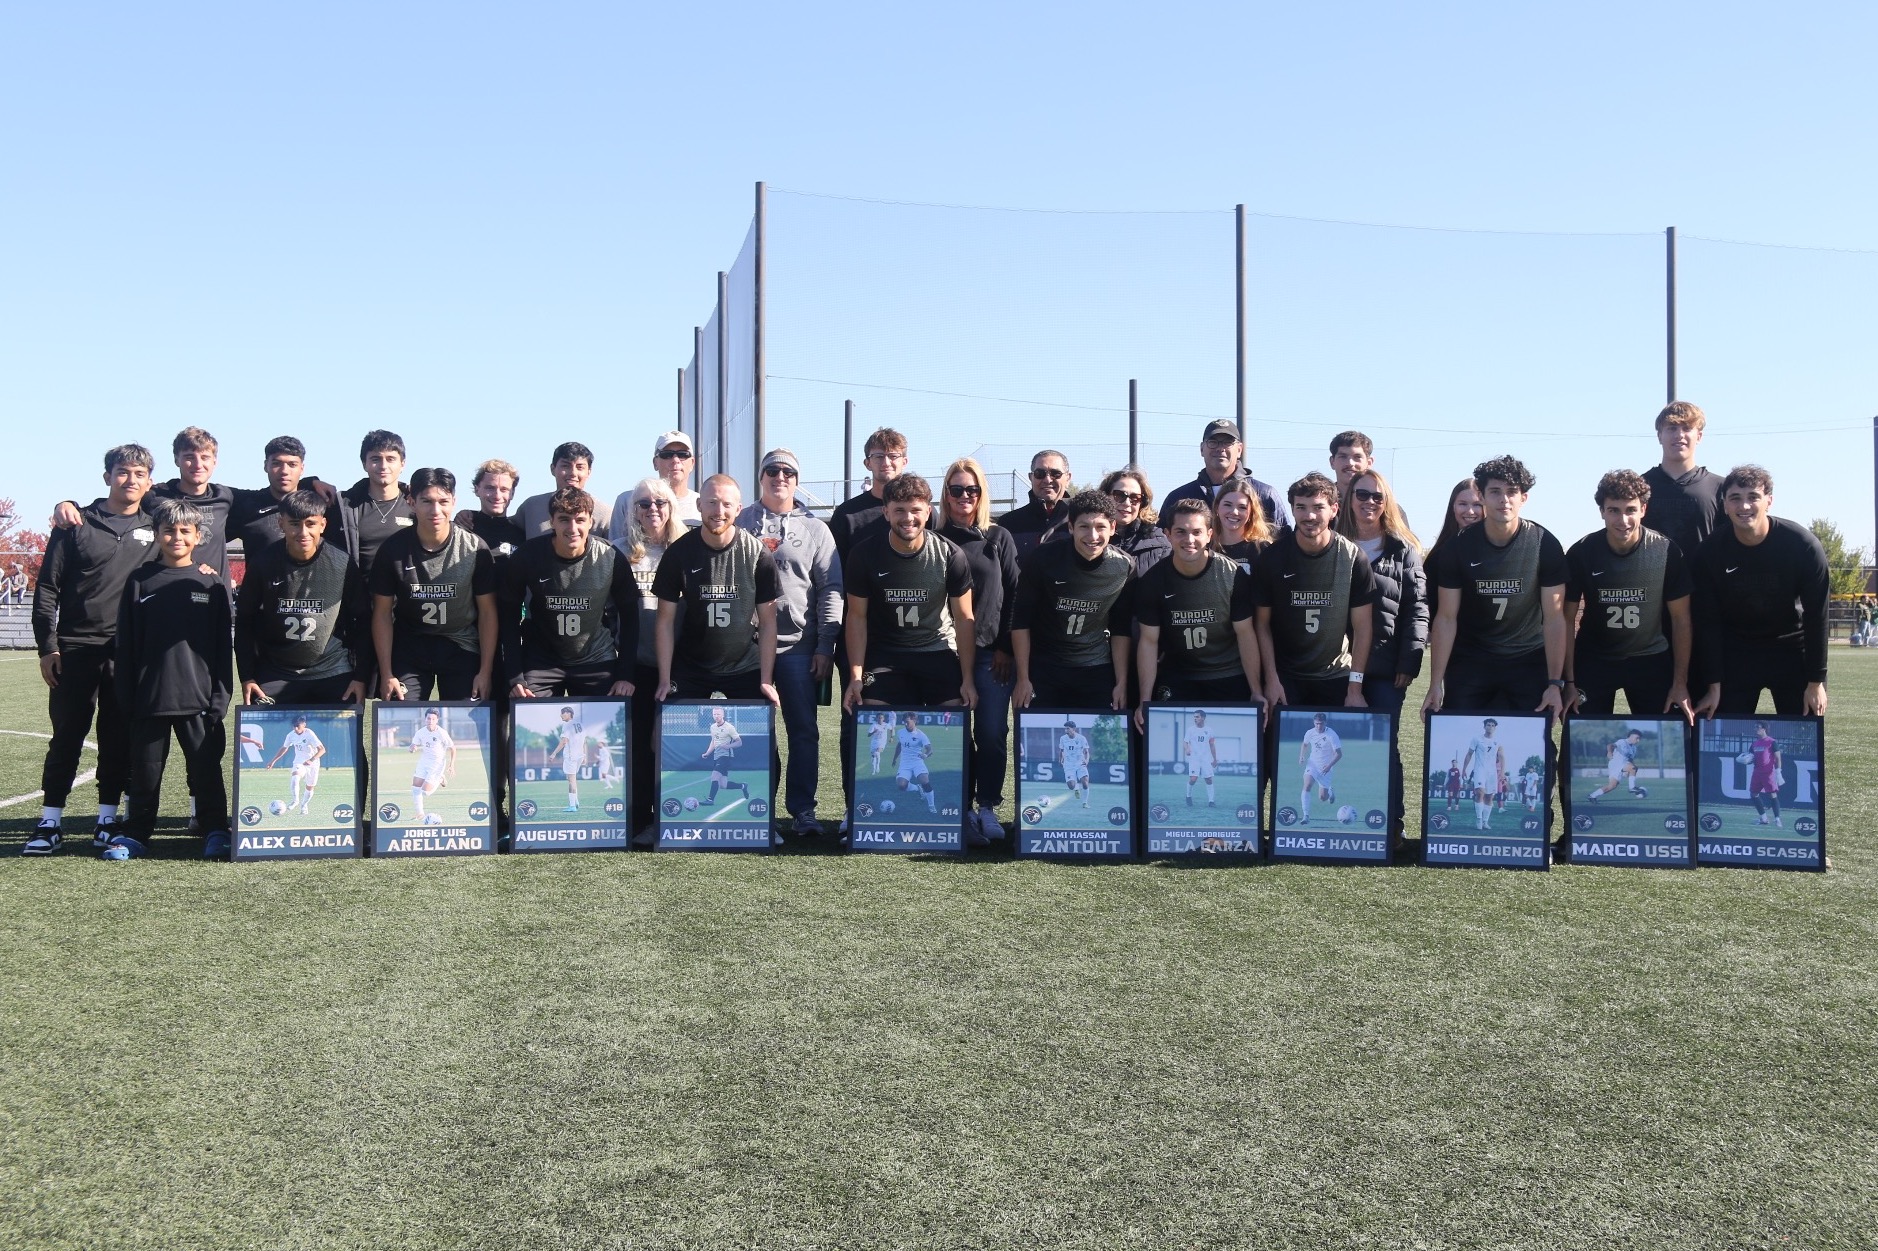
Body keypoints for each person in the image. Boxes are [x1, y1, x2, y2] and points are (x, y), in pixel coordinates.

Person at [1422, 455, 1568, 841]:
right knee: (1461, 737)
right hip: (1474, 659)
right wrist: (1436, 682)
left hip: (1527, 658)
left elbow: (1555, 618)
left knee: (1537, 744)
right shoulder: (1459, 548)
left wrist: (1555, 681)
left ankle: (1536, 833)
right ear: (1483, 497)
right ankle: (1456, 833)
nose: (1504, 500)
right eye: (1495, 492)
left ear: (1525, 498)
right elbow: (1446, 618)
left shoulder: (1544, 544)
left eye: (1512, 493)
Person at [25, 444, 157, 856]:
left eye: (138, 473)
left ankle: (105, 819)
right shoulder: (76, 523)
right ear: (107, 477)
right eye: (122, 472)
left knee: (117, 738)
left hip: (126, 652)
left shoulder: (157, 527)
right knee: (67, 736)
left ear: (150, 481)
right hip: (76, 649)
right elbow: (47, 588)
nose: (130, 480)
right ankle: (50, 821)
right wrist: (48, 646)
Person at [108, 499, 233, 860]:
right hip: (150, 699)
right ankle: (135, 835)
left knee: (206, 772)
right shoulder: (139, 580)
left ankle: (214, 831)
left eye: (184, 531)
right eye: (169, 530)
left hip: (198, 698)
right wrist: (127, 696)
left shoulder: (210, 584)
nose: (176, 537)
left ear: (197, 536)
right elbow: (126, 644)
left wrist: (220, 696)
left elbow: (222, 647)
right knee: (144, 776)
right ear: (158, 534)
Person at [736, 448, 841, 837]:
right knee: (754, 731)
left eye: (788, 472)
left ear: (797, 480)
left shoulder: (816, 528)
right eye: (772, 470)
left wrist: (826, 643)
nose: (780, 477)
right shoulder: (741, 520)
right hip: (747, 645)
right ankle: (758, 807)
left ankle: (803, 810)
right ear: (761, 476)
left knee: (803, 730)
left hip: (799, 644)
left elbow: (831, 588)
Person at [1690, 465, 1829, 716]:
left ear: (1769, 501)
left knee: (1802, 741)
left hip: (1791, 650)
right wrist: (1713, 685)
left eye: (1753, 497)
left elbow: (1817, 616)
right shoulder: (1709, 552)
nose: (1744, 506)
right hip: (1737, 653)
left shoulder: (1802, 546)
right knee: (1724, 736)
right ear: (1724, 505)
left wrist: (1815, 682)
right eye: (1735, 498)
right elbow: (1708, 623)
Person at [828, 427, 913, 829]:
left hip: (912, 637)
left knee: (910, 719)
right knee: (855, 719)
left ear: (905, 460)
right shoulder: (848, 515)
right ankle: (853, 807)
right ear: (867, 463)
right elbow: (836, 581)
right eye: (879, 456)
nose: (887, 462)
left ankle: (923, 805)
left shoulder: (917, 508)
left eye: (894, 455)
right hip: (861, 636)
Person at [936, 456, 1022, 843]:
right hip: (942, 653)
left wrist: (1006, 646)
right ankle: (959, 809)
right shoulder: (932, 536)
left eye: (972, 489)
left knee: (990, 732)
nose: (964, 496)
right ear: (946, 494)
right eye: (957, 489)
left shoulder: (997, 537)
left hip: (992, 653)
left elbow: (1016, 594)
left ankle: (987, 806)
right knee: (952, 735)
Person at [1562, 470, 1694, 719]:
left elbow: (1681, 620)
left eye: (1630, 510)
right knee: (1580, 741)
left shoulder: (1665, 551)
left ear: (1643, 509)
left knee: (1665, 742)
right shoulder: (1582, 552)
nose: (1623, 519)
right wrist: (1569, 682)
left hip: (1650, 657)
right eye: (1613, 510)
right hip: (1595, 657)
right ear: (1601, 511)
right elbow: (1566, 620)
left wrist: (1680, 682)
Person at [1337, 468, 1425, 837]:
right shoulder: (1333, 543)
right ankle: (1344, 822)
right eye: (1361, 495)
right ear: (1349, 499)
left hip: (1388, 667)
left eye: (1377, 496)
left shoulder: (1403, 549)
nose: (1369, 502)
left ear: (1386, 502)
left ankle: (1393, 825)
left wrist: (1410, 659)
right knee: (1341, 744)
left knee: (1384, 746)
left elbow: (1417, 608)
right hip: (1338, 667)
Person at [841, 474, 977, 712]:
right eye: (899, 510)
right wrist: (856, 675)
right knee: (873, 719)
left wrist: (967, 679)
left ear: (928, 512)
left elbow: (964, 619)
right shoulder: (864, 555)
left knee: (955, 728)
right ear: (886, 512)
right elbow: (856, 616)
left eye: (915, 510)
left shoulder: (950, 555)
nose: (908, 518)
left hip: (937, 648)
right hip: (886, 651)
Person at [370, 467, 499, 701]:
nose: (436, 510)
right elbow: (381, 613)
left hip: (461, 643)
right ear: (411, 502)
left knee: (465, 724)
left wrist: (485, 671)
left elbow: (488, 612)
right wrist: (387, 673)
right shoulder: (392, 549)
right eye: (427, 501)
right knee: (401, 718)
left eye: (443, 501)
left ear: (454, 502)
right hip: (411, 643)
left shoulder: (474, 548)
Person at [652, 474, 781, 704]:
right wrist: (664, 678)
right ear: (699, 505)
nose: (718, 511)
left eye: (727, 504)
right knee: (669, 732)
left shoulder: (757, 553)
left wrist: (765, 679)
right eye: (711, 502)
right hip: (692, 664)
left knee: (760, 737)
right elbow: (664, 621)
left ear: (739, 509)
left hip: (744, 664)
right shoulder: (678, 553)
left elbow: (769, 622)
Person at [500, 486, 638, 698]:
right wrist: (515, 676)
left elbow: (629, 615)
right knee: (530, 722)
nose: (573, 528)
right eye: (564, 519)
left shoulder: (610, 556)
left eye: (580, 520)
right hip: (542, 659)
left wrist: (625, 674)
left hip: (595, 657)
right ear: (552, 522)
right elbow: (508, 615)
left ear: (591, 521)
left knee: (607, 724)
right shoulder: (528, 555)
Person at [1252, 474, 1377, 709]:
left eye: (1318, 507)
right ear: (1292, 510)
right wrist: (1271, 679)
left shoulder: (1353, 558)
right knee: (1283, 746)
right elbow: (1262, 625)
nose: (1309, 516)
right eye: (1301, 507)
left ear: (1334, 509)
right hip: (1286, 677)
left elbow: (1363, 627)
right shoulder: (1272, 558)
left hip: (1336, 675)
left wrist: (1355, 687)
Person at [235, 489, 368, 706]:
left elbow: (362, 620)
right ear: (281, 524)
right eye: (295, 523)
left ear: (323, 525)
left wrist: (360, 676)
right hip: (277, 671)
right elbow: (245, 620)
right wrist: (247, 675)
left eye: (310, 524)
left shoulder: (342, 563)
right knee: (273, 739)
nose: (303, 532)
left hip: (332, 670)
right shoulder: (263, 563)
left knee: (342, 739)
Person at [1134, 498, 1264, 717]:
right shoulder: (1153, 580)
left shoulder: (1232, 574)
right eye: (1181, 532)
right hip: (1179, 675)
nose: (1189, 539)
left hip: (1227, 673)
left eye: (1196, 532)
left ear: (1209, 535)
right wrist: (1144, 700)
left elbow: (1245, 634)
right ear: (1167, 534)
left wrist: (1256, 690)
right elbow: (1148, 641)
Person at [1012, 489, 1136, 710]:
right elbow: (1021, 621)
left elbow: (1121, 629)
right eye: (1084, 527)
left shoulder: (1123, 567)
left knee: (1100, 739)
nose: (1093, 536)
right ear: (1070, 527)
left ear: (1113, 528)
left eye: (1100, 527)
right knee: (1039, 740)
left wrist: (1121, 682)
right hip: (1047, 665)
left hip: (1095, 666)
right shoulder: (1044, 559)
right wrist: (1023, 678)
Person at [620, 477, 684, 842]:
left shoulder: (686, 549)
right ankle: (642, 818)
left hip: (681, 663)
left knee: (676, 743)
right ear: (633, 510)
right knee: (641, 744)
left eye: (660, 501)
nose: (652, 509)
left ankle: (677, 814)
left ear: (672, 507)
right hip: (637, 663)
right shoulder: (618, 552)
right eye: (644, 503)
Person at [227, 436, 349, 560]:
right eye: (276, 463)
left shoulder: (321, 504)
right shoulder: (247, 506)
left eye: (292, 464)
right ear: (265, 466)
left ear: (302, 468)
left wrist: (310, 482)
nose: (284, 471)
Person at [1162, 419, 1290, 533]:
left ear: (1239, 449)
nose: (1220, 448)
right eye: (1213, 442)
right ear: (1201, 449)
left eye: (1227, 442)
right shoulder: (1179, 497)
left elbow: (1284, 544)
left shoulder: (1265, 494)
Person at [1640, 401, 1726, 561]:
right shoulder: (1639, 487)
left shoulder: (1721, 488)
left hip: (1702, 583)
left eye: (1687, 428)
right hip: (1653, 583)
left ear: (1699, 436)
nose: (1679, 435)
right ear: (1659, 436)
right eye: (1672, 428)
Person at [340, 430, 415, 579]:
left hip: (404, 599)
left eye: (391, 459)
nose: (383, 466)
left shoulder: (417, 504)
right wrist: (311, 481)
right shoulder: (345, 506)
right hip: (360, 598)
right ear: (364, 464)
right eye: (375, 459)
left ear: (402, 464)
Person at [519, 441, 612, 539]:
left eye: (580, 467)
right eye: (565, 466)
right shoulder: (532, 507)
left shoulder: (605, 515)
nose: (573, 473)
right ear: (552, 469)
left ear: (589, 472)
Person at [614, 431, 699, 536]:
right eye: (667, 455)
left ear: (692, 463)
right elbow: (614, 547)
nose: (675, 460)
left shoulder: (703, 504)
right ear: (655, 463)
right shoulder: (626, 500)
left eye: (683, 455)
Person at [998, 449, 1074, 559]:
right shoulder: (1008, 523)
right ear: (1031, 477)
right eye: (1040, 474)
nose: (1047, 480)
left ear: (1068, 478)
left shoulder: (1081, 521)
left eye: (1055, 473)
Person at [457, 458, 526, 564]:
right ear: (477, 490)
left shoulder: (522, 534)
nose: (497, 496)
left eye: (504, 490)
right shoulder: (463, 527)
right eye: (490, 488)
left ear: (512, 493)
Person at [266, 713, 328, 816]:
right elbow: (284, 748)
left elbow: (322, 750)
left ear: (304, 724)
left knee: (310, 787)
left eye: (297, 726)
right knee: (295, 778)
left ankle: (304, 805)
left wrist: (311, 759)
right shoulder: (290, 735)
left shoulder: (309, 734)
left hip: (313, 763)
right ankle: (295, 800)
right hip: (299, 761)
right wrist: (273, 761)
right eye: (294, 726)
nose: (295, 728)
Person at [406, 707, 458, 823]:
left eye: (433, 719)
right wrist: (412, 748)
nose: (430, 721)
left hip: (437, 763)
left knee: (426, 792)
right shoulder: (421, 732)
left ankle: (440, 778)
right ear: (425, 719)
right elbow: (413, 745)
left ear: (437, 720)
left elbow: (453, 748)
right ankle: (420, 814)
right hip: (424, 761)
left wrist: (451, 765)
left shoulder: (441, 733)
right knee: (415, 788)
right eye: (428, 718)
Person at [1213, 477, 1274, 574]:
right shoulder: (1206, 548)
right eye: (1228, 505)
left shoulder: (1263, 549)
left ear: (1251, 512)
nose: (1234, 512)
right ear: (1217, 507)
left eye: (1242, 507)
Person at [1425, 478, 1485, 574]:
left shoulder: (1499, 550)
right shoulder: (1439, 556)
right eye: (1463, 504)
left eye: (1477, 505)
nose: (1470, 511)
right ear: (1453, 507)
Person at [1296, 711, 1344, 824]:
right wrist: (1302, 756)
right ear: (1314, 722)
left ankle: (1330, 793)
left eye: (1321, 723)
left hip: (1326, 767)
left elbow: (1339, 754)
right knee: (1307, 785)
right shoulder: (1310, 732)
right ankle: (1306, 815)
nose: (1319, 726)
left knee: (1322, 798)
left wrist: (1329, 766)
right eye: (1317, 723)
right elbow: (1305, 744)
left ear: (1325, 723)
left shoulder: (1332, 735)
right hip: (1312, 764)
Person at [1461, 717, 1507, 832]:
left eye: (1492, 725)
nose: (1490, 727)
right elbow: (1469, 754)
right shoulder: (1477, 739)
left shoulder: (1498, 742)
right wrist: (1464, 769)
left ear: (1495, 728)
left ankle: (1486, 821)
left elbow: (1501, 757)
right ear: (1484, 726)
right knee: (1480, 793)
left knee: (1489, 796)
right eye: (1488, 725)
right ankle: (1479, 819)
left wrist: (1502, 771)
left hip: (1492, 772)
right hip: (1480, 770)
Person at [699, 704, 751, 806]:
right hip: (716, 756)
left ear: (723, 715)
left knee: (714, 777)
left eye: (718, 714)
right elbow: (714, 741)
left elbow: (739, 742)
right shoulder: (712, 727)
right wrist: (707, 753)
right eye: (714, 714)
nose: (716, 716)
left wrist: (728, 746)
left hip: (725, 757)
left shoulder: (729, 727)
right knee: (723, 785)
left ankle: (710, 800)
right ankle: (743, 786)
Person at [890, 712, 940, 814]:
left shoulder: (921, 735)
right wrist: (895, 758)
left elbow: (930, 750)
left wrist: (925, 755)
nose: (905, 724)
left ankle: (931, 806)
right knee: (901, 786)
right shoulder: (901, 732)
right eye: (904, 721)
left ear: (914, 721)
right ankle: (917, 788)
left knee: (925, 781)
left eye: (907, 721)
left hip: (917, 762)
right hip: (905, 764)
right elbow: (899, 745)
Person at [1587, 729, 1649, 805]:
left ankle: (1592, 796)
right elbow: (1610, 745)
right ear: (1631, 737)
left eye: (1639, 739)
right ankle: (1632, 787)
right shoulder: (1622, 742)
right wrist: (1609, 752)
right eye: (1637, 738)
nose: (1638, 740)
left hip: (1624, 765)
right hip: (1615, 764)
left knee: (1612, 786)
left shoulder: (1634, 748)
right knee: (1633, 768)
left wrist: (1629, 771)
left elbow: (1630, 759)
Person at [1744, 721, 1785, 827]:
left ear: (1764, 729)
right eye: (1755, 727)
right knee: (1753, 794)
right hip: (1757, 773)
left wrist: (1778, 772)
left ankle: (1777, 819)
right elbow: (1751, 758)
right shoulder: (1754, 744)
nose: (1755, 729)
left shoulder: (1771, 742)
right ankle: (1764, 818)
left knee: (1772, 794)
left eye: (1757, 727)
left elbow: (1777, 758)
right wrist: (1746, 760)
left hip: (1768, 773)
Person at [1181, 709, 1220, 807]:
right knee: (1193, 779)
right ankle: (1188, 796)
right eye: (1194, 717)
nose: (1195, 719)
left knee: (1209, 780)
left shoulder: (1209, 730)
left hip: (1206, 759)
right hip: (1194, 759)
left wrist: (1215, 759)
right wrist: (1187, 749)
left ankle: (1211, 801)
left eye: (1197, 717)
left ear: (1203, 718)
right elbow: (1185, 742)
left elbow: (1212, 745)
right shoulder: (1190, 730)